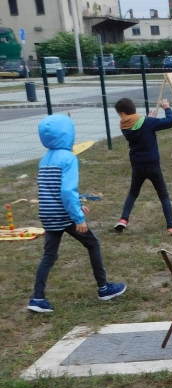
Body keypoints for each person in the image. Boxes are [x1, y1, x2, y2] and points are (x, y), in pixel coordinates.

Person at [27, 114, 126, 314]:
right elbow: (66, 191)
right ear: (68, 134)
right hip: (64, 215)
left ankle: (37, 298)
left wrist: (78, 203)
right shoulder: (69, 158)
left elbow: (54, 189)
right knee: (93, 244)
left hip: (47, 214)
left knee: (49, 255)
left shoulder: (44, 160)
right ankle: (104, 289)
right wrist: (78, 217)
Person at [112, 97, 172, 236]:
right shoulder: (148, 122)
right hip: (152, 165)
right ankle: (171, 227)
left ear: (122, 114)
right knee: (163, 195)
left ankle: (123, 219)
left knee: (133, 193)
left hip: (137, 166)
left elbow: (139, 126)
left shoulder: (124, 125)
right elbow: (171, 122)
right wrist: (166, 108)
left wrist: (148, 119)